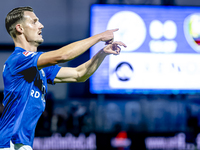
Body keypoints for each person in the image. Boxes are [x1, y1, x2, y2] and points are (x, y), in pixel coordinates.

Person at [0, 6, 126, 150]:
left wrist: (102, 53)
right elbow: (63, 55)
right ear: (20, 28)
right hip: (9, 144)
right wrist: (99, 37)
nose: (41, 25)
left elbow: (80, 74)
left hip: (21, 144)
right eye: (34, 22)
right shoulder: (18, 60)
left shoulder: (39, 68)